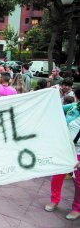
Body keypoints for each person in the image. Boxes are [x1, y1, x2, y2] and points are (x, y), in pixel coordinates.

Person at [45, 89, 80, 220]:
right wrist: (50, 94)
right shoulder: (73, 106)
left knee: (78, 182)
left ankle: (77, 208)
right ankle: (54, 200)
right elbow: (54, 107)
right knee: (57, 175)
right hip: (65, 148)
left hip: (79, 152)